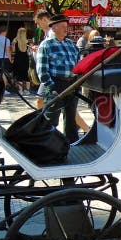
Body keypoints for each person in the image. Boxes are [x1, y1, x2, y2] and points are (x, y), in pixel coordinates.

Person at [36, 13, 80, 143]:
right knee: (51, 119)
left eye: (66, 26)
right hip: (56, 84)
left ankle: (71, 144)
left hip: (72, 84)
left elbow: (78, 65)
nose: (66, 29)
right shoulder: (46, 45)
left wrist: (78, 82)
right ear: (53, 28)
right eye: (62, 26)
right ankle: (48, 145)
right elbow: (42, 70)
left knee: (71, 118)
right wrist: (51, 86)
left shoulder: (71, 44)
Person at [32, 11, 54, 108]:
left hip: (50, 73)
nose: (37, 26)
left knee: (39, 101)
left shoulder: (51, 33)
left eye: (38, 23)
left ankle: (42, 122)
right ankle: (45, 122)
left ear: (44, 20)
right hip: (51, 73)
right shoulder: (48, 34)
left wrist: (39, 50)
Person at [12, 27, 31, 94]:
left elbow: (13, 50)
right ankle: (27, 90)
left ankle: (20, 90)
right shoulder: (27, 41)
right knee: (25, 74)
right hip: (25, 58)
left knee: (19, 75)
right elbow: (29, 51)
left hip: (18, 58)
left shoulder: (15, 40)